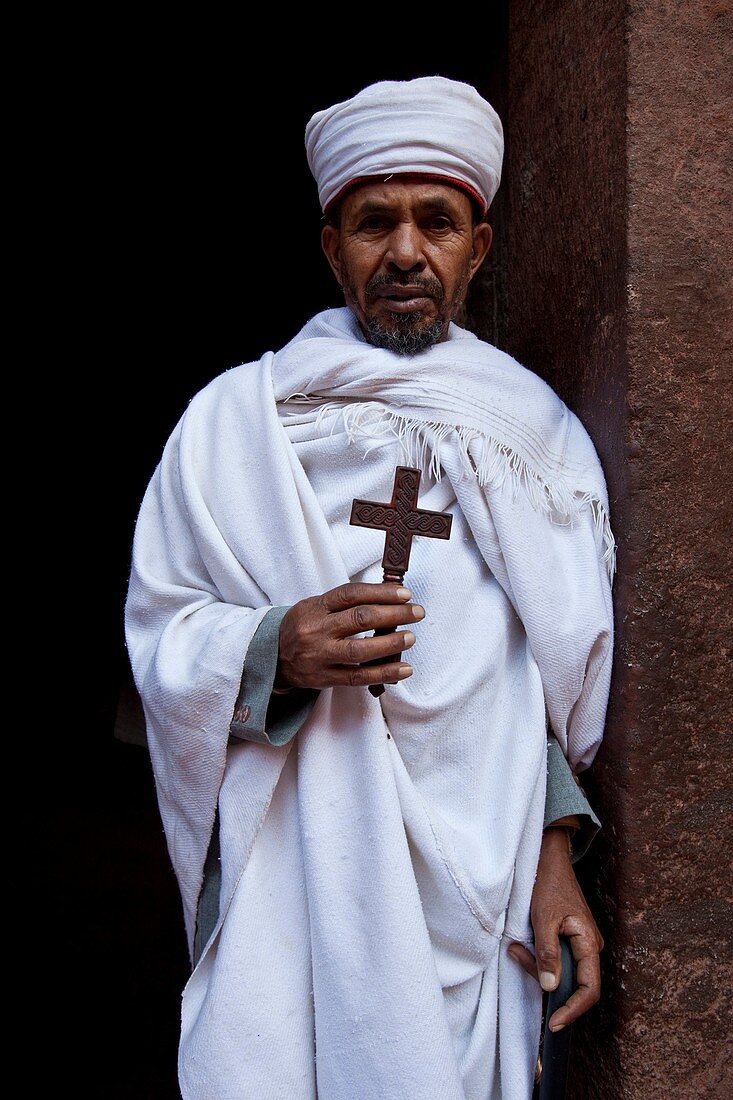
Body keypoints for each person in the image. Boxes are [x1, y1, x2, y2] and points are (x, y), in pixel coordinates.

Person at [125, 76, 614, 1099]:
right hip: (294, 880)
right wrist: (273, 648)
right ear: (329, 246)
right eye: (371, 222)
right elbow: (165, 636)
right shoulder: (232, 426)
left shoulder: (537, 441)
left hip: (473, 892)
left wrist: (551, 852)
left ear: (477, 247)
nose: (403, 252)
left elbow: (543, 681)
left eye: (434, 222)